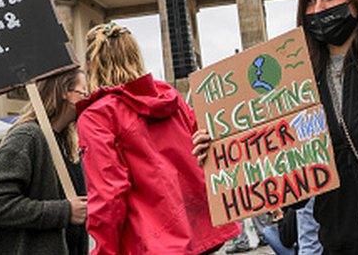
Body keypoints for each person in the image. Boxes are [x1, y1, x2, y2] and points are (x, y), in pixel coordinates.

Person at [195, 0, 358, 254]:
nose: (318, 9)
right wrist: (219, 153)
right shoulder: (297, 85)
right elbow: (294, 195)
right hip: (337, 243)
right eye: (309, 1)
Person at [77, 22, 239, 255]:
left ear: (92, 65)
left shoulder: (97, 116)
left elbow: (109, 195)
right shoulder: (170, 97)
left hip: (147, 243)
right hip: (201, 233)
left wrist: (104, 251)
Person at [0, 69, 89, 255]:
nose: (88, 99)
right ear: (65, 92)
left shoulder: (65, 145)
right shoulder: (26, 137)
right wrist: (64, 212)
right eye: (84, 92)